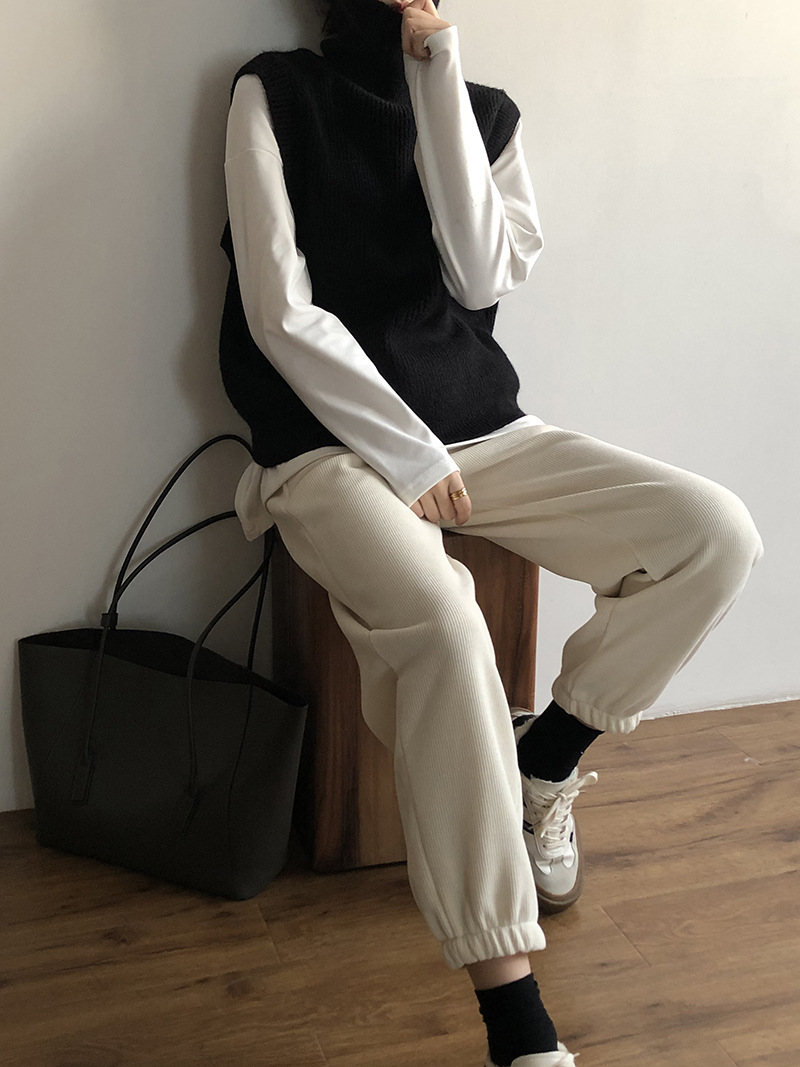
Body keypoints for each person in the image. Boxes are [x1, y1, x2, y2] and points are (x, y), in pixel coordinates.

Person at [217, 2, 765, 1064]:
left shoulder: (486, 111)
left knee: (711, 532)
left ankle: (542, 759)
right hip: (324, 446)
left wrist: (438, 69)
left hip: (485, 431)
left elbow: (478, 275)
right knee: (443, 621)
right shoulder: (272, 93)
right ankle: (515, 1019)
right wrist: (408, 454)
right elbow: (279, 313)